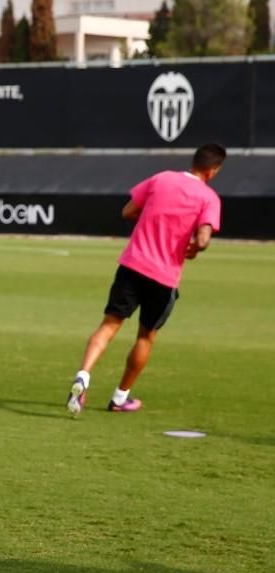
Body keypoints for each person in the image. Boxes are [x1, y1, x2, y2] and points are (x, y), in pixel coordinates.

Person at [66, 143, 226, 416]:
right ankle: (120, 398)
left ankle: (83, 375)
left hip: (132, 265)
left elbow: (127, 211)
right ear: (212, 171)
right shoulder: (208, 198)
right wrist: (196, 248)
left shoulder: (161, 178)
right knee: (146, 336)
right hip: (163, 278)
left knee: (109, 325)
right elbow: (203, 237)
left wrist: (150, 219)